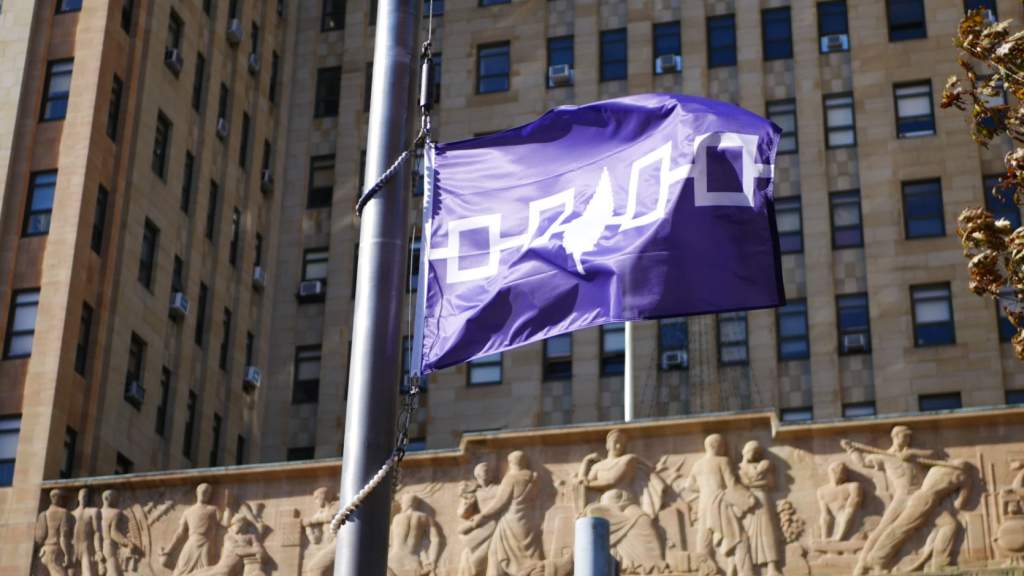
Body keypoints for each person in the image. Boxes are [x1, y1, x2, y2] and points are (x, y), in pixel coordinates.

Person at [577, 430, 669, 573]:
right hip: (608, 506)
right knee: (592, 515)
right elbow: (581, 483)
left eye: (622, 442)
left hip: (627, 504)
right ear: (607, 445)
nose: (618, 445)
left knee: (644, 521)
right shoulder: (596, 467)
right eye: (615, 441)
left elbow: (612, 479)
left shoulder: (628, 459)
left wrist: (589, 482)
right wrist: (585, 462)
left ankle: (654, 566)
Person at [461, 452, 543, 576]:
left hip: (510, 521)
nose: (488, 474)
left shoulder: (511, 478)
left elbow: (499, 502)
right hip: (527, 520)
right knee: (528, 553)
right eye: (484, 472)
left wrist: (481, 516)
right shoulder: (532, 477)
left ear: (511, 462)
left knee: (496, 552)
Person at [685, 434, 755, 576]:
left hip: (704, 504)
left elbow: (689, 485)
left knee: (704, 536)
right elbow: (732, 484)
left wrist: (705, 489)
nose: (725, 448)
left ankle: (704, 570)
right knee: (739, 538)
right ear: (715, 446)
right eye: (723, 445)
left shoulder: (697, 465)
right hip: (720, 502)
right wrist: (748, 498)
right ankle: (745, 572)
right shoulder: (723, 461)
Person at [161, 483, 227, 575]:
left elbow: (225, 525)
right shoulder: (188, 511)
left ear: (210, 495)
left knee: (205, 571)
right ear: (197, 492)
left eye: (208, 492)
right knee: (180, 571)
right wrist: (169, 549)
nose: (204, 493)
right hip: (191, 543)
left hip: (206, 544)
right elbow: (180, 533)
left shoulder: (213, 509)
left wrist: (229, 506)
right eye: (202, 491)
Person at [738, 441, 781, 576]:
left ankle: (772, 567)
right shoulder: (738, 468)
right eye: (753, 451)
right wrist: (755, 481)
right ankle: (749, 568)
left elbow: (771, 482)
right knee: (747, 534)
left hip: (763, 499)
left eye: (758, 452)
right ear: (745, 452)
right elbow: (739, 484)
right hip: (747, 503)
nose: (755, 454)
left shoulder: (764, 465)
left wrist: (751, 482)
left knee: (768, 532)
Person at [458, 462, 499, 576]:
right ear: (477, 475)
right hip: (480, 527)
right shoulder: (475, 493)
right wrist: (467, 504)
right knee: (470, 558)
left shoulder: (498, 489)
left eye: (488, 470)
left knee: (490, 555)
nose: (486, 473)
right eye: (484, 470)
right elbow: (462, 514)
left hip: (495, 526)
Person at [388, 493, 442, 576]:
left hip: (394, 560)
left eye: (403, 503)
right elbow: (436, 539)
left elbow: (389, 541)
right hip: (412, 562)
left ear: (409, 504)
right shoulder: (425, 518)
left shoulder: (396, 518)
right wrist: (432, 561)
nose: (401, 506)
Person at [35, 489, 73, 576]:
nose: (63, 501)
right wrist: (67, 554)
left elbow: (39, 537)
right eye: (62, 498)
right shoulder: (63, 513)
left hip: (43, 552)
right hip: (55, 551)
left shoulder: (43, 514)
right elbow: (63, 536)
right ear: (55, 498)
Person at [302, 487, 338, 576]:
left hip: (339, 541)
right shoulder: (320, 513)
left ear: (323, 496)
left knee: (315, 569)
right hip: (329, 544)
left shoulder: (337, 505)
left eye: (317, 498)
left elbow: (332, 517)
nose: (316, 501)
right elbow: (315, 540)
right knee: (311, 569)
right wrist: (308, 528)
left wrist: (311, 520)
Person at [72, 488, 102, 576]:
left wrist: (98, 550)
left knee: (88, 573)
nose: (84, 498)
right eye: (82, 496)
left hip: (87, 547)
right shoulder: (71, 514)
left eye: (86, 496)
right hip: (73, 547)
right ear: (78, 497)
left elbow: (97, 532)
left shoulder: (92, 511)